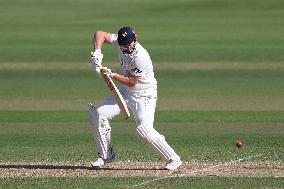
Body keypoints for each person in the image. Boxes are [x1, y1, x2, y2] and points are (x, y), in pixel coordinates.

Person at [88, 26, 182, 171]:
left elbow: (132, 81)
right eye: (123, 44)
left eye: (129, 43)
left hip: (144, 95)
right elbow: (100, 34)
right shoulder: (120, 42)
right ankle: (106, 155)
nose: (126, 47)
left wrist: (112, 75)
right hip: (126, 92)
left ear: (135, 38)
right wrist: (97, 52)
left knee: (144, 130)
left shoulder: (140, 57)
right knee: (99, 115)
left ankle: (173, 158)